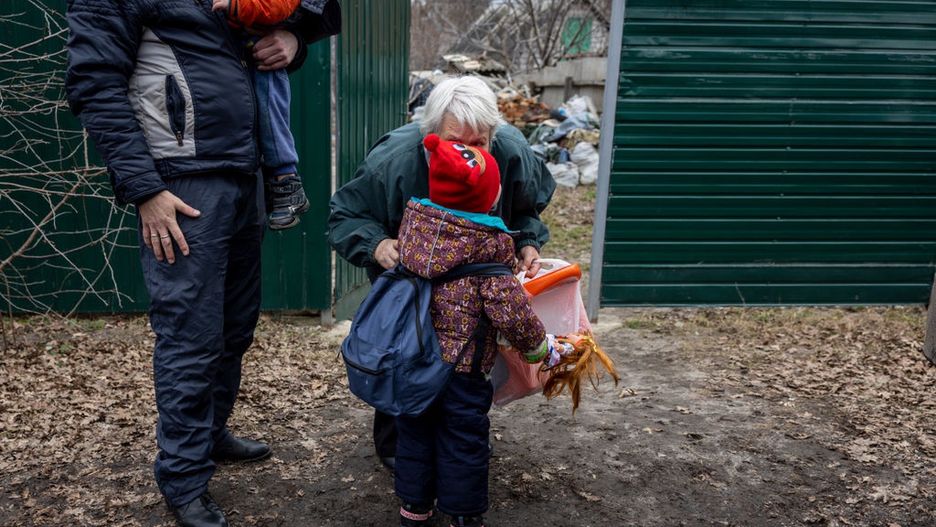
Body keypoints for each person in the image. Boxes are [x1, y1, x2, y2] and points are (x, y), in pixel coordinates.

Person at [65, 1, 339, 526]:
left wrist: (295, 41)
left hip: (246, 170)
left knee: (234, 328)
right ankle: (185, 478)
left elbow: (312, 9)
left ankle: (210, 436)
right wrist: (145, 188)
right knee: (190, 334)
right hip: (181, 185)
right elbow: (94, 83)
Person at [328, 76, 556, 471]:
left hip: (474, 290)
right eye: (456, 143)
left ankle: (459, 447)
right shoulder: (394, 161)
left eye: (479, 143)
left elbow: (526, 209)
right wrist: (378, 246)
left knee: (466, 368)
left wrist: (527, 242)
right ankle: (398, 451)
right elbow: (345, 217)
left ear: (494, 135)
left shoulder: (511, 151)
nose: (470, 158)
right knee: (406, 357)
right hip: (407, 286)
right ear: (430, 135)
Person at [394, 133, 551, 527]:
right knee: (463, 442)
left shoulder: (415, 235)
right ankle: (464, 515)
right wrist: (539, 348)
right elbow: (514, 315)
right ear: (490, 198)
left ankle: (414, 510)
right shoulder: (489, 252)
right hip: (462, 372)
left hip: (414, 362)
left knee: (415, 435)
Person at [211, 0, 312, 230]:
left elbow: (277, 6)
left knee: (270, 116)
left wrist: (236, 6)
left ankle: (286, 181)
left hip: (261, 60)